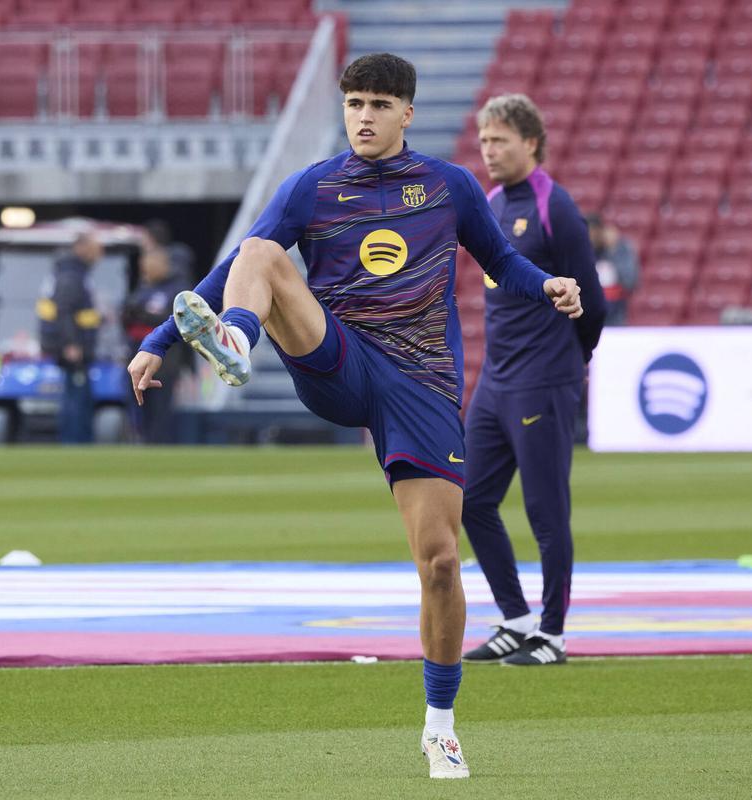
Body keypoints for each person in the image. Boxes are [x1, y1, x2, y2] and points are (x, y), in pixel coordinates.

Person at [127, 53, 584, 779]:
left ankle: (440, 729)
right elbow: (229, 267)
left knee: (438, 561)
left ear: (407, 113)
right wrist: (158, 340)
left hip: (424, 387)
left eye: (378, 104)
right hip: (338, 359)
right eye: (354, 104)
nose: (363, 117)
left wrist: (549, 284)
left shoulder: (450, 186)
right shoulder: (313, 186)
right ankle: (237, 340)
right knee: (259, 249)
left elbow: (501, 260)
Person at [459, 94, 606, 668]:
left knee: (546, 511)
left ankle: (552, 635)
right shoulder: (492, 202)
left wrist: (569, 362)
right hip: (495, 381)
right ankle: (515, 619)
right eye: (484, 140)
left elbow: (590, 302)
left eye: (500, 140)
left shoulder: (556, 208)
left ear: (531, 143)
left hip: (544, 380)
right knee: (470, 499)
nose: (489, 151)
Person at [38, 231, 102, 444]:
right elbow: (64, 311)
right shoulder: (71, 276)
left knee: (79, 396)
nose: (99, 252)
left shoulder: (74, 273)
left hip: (78, 346)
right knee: (75, 398)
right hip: (75, 349)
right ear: (81, 248)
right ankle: (73, 442)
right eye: (95, 247)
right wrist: (72, 343)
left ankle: (78, 441)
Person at [123, 244, 184, 444]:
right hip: (137, 353)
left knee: (161, 408)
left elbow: (175, 319)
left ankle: (161, 446)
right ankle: (142, 443)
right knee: (140, 405)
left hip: (164, 360)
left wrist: (144, 315)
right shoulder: (142, 288)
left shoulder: (176, 288)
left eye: (149, 264)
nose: (145, 268)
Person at [587, 213, 639, 325]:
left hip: (615, 317)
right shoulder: (583, 252)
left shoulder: (620, 249)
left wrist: (613, 250)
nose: (591, 238)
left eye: (594, 233)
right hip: (589, 317)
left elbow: (630, 281)